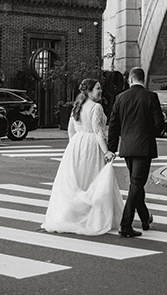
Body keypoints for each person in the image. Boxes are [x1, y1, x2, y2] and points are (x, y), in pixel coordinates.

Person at [41, 79, 123, 236]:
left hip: (76, 145)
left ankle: (71, 216)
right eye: (98, 88)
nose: (101, 91)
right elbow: (98, 133)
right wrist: (106, 151)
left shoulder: (77, 106)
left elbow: (71, 130)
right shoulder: (96, 107)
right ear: (89, 91)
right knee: (94, 180)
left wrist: (75, 145)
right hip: (92, 145)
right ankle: (93, 217)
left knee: (76, 181)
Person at [107, 66, 165, 239]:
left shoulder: (120, 98)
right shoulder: (151, 97)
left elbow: (114, 125)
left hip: (127, 147)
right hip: (144, 146)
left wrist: (112, 148)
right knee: (136, 184)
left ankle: (145, 218)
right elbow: (159, 125)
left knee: (135, 183)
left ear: (130, 79)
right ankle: (125, 225)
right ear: (142, 79)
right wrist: (150, 132)